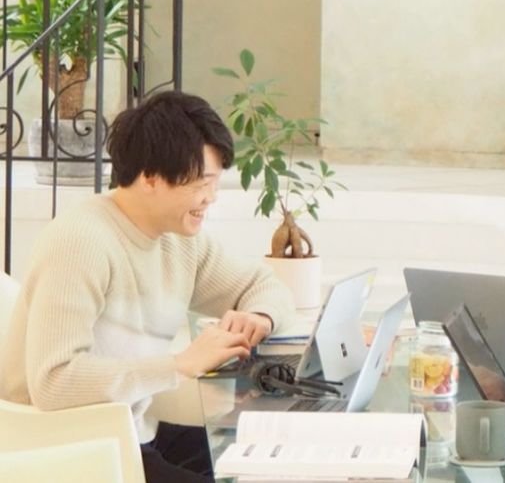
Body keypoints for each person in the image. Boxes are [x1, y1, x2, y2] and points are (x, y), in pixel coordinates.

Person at [0, 91, 295, 483]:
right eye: (201, 183)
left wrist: (258, 316)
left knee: (271, 458)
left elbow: (263, 285)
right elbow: (54, 383)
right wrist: (180, 364)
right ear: (150, 177)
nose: (211, 198)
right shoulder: (79, 242)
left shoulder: (178, 239)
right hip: (69, 451)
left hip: (131, 432)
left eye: (214, 182)